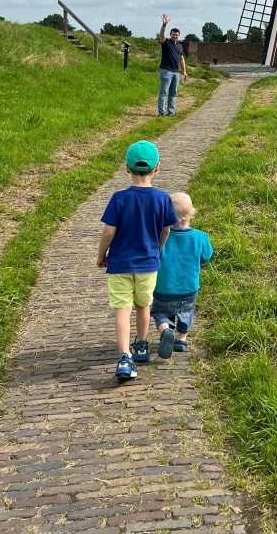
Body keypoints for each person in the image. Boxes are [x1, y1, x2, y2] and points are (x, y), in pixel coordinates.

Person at [97, 140, 178, 381]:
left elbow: (108, 231)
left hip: (120, 264)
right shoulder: (163, 199)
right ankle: (141, 345)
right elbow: (166, 229)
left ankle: (124, 356)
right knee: (144, 305)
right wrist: (158, 247)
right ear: (157, 168)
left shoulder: (119, 199)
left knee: (122, 308)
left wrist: (102, 255)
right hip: (148, 263)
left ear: (127, 168)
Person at [151, 192, 213, 359]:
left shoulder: (162, 236)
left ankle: (165, 330)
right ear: (191, 213)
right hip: (188, 288)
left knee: (160, 313)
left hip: (162, 288)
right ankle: (181, 339)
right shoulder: (200, 237)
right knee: (187, 313)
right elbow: (206, 257)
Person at [158, 13, 188, 117]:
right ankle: (161, 113)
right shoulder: (166, 43)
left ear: (178, 36)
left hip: (176, 72)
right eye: (173, 34)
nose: (175, 36)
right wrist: (164, 25)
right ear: (170, 34)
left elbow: (181, 59)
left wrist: (184, 72)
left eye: (176, 34)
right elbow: (161, 35)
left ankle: (171, 112)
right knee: (163, 92)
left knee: (173, 93)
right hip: (166, 71)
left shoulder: (180, 46)